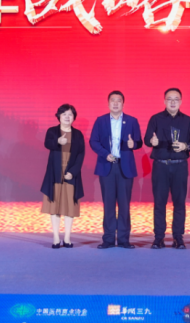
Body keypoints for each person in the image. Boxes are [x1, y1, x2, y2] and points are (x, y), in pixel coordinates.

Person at [144, 88, 190, 249]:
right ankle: (158, 238)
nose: (173, 102)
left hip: (180, 165)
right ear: (164, 101)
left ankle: (178, 238)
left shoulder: (187, 120)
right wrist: (152, 142)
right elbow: (146, 139)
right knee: (159, 203)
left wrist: (185, 146)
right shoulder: (155, 119)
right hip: (160, 165)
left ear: (181, 101)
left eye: (176, 99)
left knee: (179, 203)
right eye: (169, 99)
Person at [89, 90, 143, 249]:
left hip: (125, 167)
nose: (115, 103)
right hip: (107, 166)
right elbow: (93, 141)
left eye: (118, 100)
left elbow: (139, 142)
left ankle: (124, 239)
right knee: (109, 204)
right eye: (112, 100)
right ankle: (108, 239)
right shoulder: (101, 121)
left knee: (124, 205)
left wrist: (134, 144)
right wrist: (105, 154)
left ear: (123, 104)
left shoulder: (132, 121)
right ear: (108, 103)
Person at [40, 104, 85, 248]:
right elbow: (47, 143)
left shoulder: (78, 134)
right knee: (55, 206)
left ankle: (67, 238)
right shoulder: (52, 131)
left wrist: (73, 172)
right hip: (55, 172)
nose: (67, 117)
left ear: (74, 117)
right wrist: (58, 142)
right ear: (59, 116)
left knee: (69, 206)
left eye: (70, 114)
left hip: (71, 173)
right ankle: (55, 237)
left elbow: (81, 155)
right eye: (64, 114)